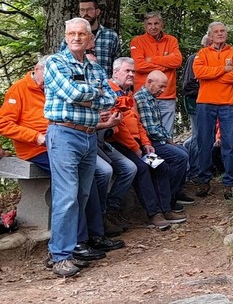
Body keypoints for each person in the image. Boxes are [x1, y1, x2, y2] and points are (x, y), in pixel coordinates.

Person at [0, 55, 124, 268]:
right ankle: (78, 241)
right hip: (37, 148)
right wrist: (36, 137)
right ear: (37, 69)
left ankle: (94, 234)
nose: (50, 79)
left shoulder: (57, 86)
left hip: (65, 142)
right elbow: (4, 124)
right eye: (46, 74)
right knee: (74, 183)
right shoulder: (20, 89)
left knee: (95, 174)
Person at [43, 18, 118, 277]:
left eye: (82, 34)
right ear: (65, 37)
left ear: (90, 39)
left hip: (88, 137)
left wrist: (87, 95)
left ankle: (68, 248)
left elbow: (111, 98)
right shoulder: (55, 62)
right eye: (71, 34)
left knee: (81, 196)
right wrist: (93, 94)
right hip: (63, 134)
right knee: (66, 197)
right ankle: (60, 255)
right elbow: (71, 94)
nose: (76, 38)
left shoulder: (95, 68)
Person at [107, 57, 186, 229]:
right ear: (115, 72)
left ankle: (166, 209)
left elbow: (139, 124)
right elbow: (119, 127)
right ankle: (153, 213)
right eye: (127, 71)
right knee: (142, 168)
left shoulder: (128, 94)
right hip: (119, 144)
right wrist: (136, 148)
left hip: (138, 144)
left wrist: (145, 143)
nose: (131, 74)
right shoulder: (110, 92)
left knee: (161, 165)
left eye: (133, 72)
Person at [192, 22, 233, 198]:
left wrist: (213, 77)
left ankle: (229, 182)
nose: (220, 34)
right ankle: (203, 180)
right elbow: (199, 73)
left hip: (229, 103)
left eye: (223, 31)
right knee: (204, 142)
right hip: (205, 103)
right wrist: (223, 70)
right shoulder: (203, 53)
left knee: (229, 143)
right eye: (216, 32)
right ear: (210, 36)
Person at [134, 70, 192, 208]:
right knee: (180, 157)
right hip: (147, 144)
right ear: (149, 82)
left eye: (164, 87)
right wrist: (167, 139)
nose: (163, 90)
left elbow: (157, 125)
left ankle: (176, 192)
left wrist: (167, 139)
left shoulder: (152, 98)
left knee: (184, 150)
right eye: (161, 86)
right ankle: (168, 199)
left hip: (156, 141)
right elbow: (150, 129)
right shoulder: (142, 98)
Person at [130, 12, 183, 134]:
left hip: (167, 95)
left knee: (167, 133)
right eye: (149, 24)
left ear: (162, 25)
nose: (153, 27)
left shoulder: (171, 40)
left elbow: (177, 60)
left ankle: (167, 153)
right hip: (144, 95)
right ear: (145, 26)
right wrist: (165, 65)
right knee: (144, 132)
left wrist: (151, 59)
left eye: (156, 23)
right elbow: (138, 65)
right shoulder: (137, 41)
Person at [59, 0, 121, 76]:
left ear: (97, 12)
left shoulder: (111, 36)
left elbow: (117, 63)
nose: (85, 13)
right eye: (82, 10)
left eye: (89, 9)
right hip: (79, 82)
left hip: (105, 82)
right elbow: (61, 59)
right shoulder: (71, 37)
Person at [182, 34, 210, 181]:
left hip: (209, 104)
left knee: (202, 136)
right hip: (195, 104)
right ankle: (193, 171)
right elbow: (187, 86)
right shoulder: (195, 59)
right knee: (197, 137)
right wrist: (207, 88)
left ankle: (198, 169)